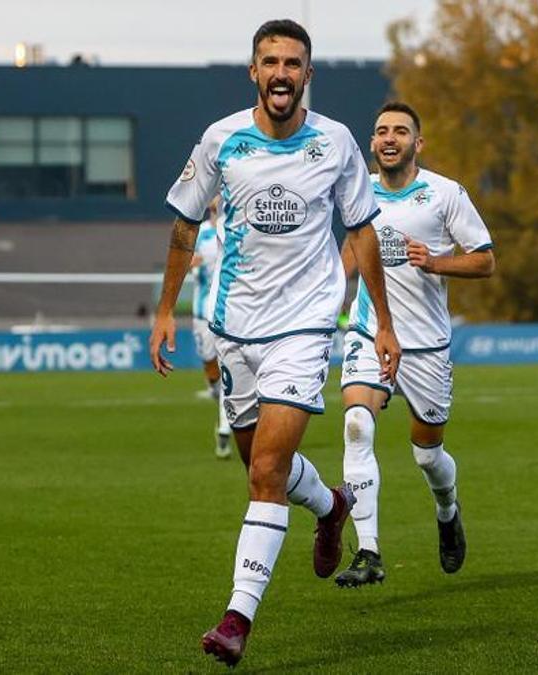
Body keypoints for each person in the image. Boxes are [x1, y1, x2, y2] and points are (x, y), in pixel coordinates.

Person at [149, 19, 401, 667]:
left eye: (293, 62)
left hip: (306, 324)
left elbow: (364, 231)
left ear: (307, 74)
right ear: (254, 73)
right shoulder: (220, 140)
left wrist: (383, 321)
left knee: (265, 472)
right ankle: (331, 503)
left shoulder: (338, 143)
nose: (282, 73)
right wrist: (165, 311)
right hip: (236, 326)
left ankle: (237, 617)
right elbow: (183, 225)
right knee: (260, 462)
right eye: (271, 62)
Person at [334, 102, 495, 588]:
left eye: (400, 131)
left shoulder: (446, 194)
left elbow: (485, 261)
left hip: (427, 347)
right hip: (369, 333)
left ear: (417, 144)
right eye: (381, 130)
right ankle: (368, 551)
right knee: (358, 425)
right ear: (372, 142)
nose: (389, 138)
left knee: (428, 455)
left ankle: (447, 510)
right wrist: (327, 294)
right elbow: (352, 248)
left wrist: (436, 262)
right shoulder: (357, 189)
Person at [189, 199, 234, 458]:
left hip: (229, 311)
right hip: (201, 311)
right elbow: (186, 262)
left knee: (229, 368)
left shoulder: (239, 226)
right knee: (210, 367)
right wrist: (191, 262)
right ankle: (219, 398)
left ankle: (225, 427)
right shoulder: (201, 232)